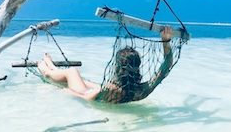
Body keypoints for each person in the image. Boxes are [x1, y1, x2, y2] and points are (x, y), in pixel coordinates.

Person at [38, 26, 173, 103]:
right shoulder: (143, 89)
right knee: (84, 80)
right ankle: (54, 68)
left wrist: (67, 92)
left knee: (72, 71)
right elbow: (166, 67)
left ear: (118, 67)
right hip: (103, 93)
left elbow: (86, 98)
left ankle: (46, 68)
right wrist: (166, 42)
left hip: (87, 94)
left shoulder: (111, 88)